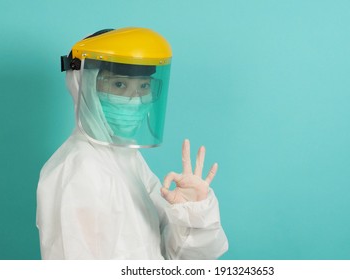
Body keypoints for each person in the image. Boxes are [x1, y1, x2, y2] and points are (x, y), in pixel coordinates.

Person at [36, 27, 228, 259]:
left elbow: (173, 259)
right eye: (119, 85)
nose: (135, 100)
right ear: (84, 84)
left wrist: (192, 214)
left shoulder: (126, 159)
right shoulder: (76, 171)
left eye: (144, 86)